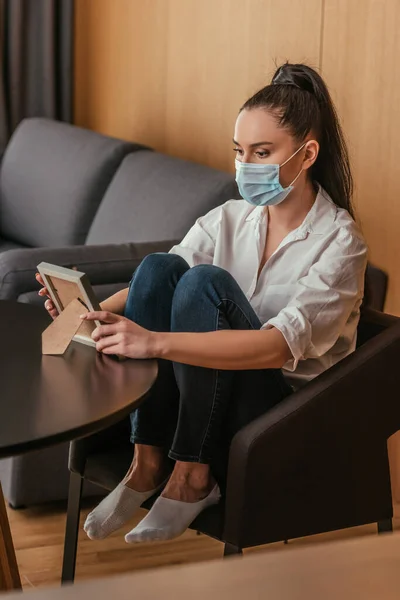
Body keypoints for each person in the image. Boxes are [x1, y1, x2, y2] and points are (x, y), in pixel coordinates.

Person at [36, 63, 367, 544]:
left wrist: (154, 343)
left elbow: (276, 348)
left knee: (203, 284)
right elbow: (156, 280)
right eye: (239, 152)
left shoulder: (341, 241)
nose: (245, 166)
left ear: (306, 153)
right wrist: (87, 311)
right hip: (205, 392)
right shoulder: (231, 217)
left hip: (279, 412)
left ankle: (193, 476)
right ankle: (146, 463)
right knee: (159, 267)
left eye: (261, 152)